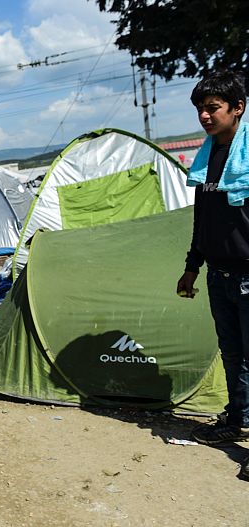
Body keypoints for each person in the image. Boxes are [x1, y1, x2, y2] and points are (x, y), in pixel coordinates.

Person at [177, 71, 249, 450]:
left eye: (212, 108)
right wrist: (192, 267)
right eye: (200, 110)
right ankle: (238, 421)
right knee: (233, 355)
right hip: (220, 277)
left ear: (238, 107)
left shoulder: (247, 154)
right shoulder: (208, 158)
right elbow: (202, 219)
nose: (205, 116)